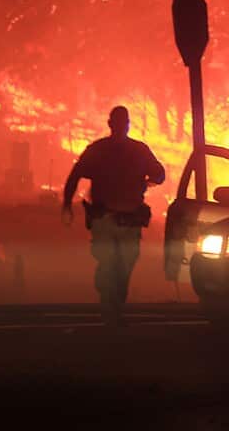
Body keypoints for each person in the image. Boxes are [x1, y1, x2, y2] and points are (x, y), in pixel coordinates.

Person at [61, 106, 165, 327]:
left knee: (112, 266)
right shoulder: (138, 151)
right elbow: (159, 174)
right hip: (123, 221)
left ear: (111, 124)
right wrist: (147, 181)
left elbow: (75, 175)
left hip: (108, 220)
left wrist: (67, 204)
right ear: (126, 125)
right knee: (120, 268)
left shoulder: (98, 150)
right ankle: (112, 310)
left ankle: (111, 309)